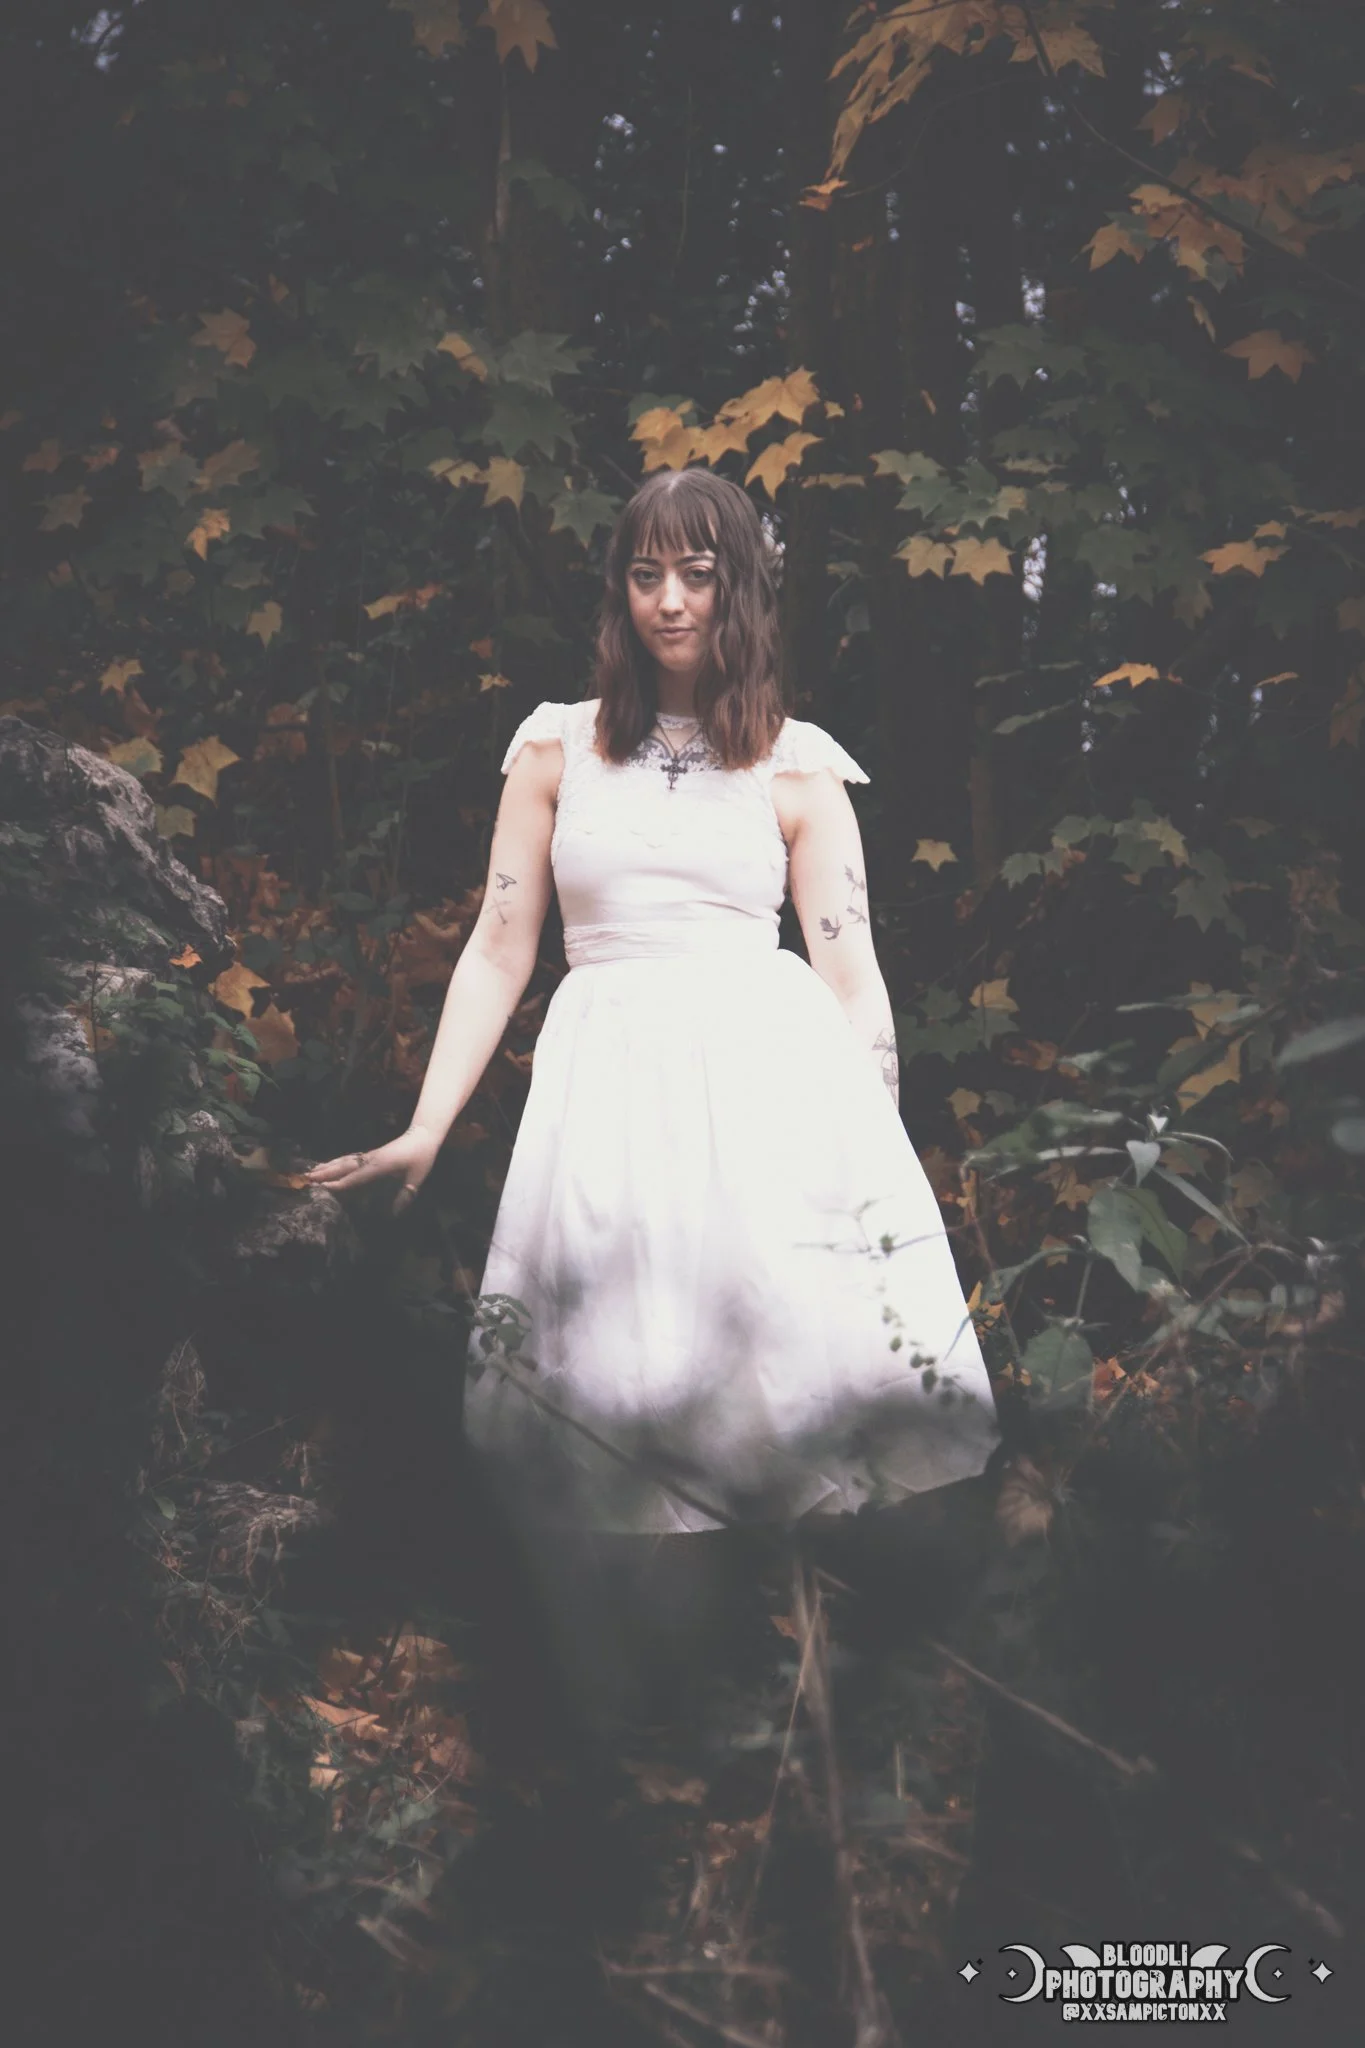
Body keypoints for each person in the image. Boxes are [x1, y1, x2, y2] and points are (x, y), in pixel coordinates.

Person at [305, 466, 1001, 1738]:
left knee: (777, 1373)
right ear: (618, 590)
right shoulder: (555, 745)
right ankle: (639, 1711)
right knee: (621, 1364)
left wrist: (877, 1166)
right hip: (609, 1083)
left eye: (697, 573)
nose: (670, 601)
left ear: (740, 587)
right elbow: (501, 945)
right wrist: (424, 1126)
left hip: (765, 1087)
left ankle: (802, 1701)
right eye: (645, 574)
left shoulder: (798, 766)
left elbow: (850, 968)